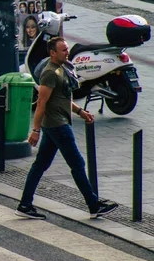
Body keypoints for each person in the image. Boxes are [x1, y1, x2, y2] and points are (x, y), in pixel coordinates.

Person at [15, 37, 119, 220]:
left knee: (40, 165)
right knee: (77, 164)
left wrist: (80, 111)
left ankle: (24, 204)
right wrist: (35, 130)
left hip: (55, 125)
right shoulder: (49, 73)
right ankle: (93, 205)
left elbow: (62, 98)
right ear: (52, 53)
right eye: (63, 50)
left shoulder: (61, 68)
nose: (67, 52)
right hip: (57, 125)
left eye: (67, 49)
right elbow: (41, 102)